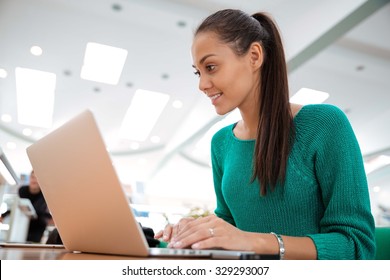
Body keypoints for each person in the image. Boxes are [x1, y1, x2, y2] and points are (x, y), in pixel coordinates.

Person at [155, 9, 376, 260]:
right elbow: (229, 224)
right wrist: (195, 235)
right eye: (198, 72)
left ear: (254, 56)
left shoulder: (324, 124)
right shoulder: (221, 143)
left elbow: (357, 246)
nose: (202, 84)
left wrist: (255, 241)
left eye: (211, 67)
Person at [18, 170, 52, 242]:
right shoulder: (22, 190)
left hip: (38, 224)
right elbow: (19, 205)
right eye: (33, 177)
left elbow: (38, 210)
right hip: (23, 222)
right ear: (29, 178)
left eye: (37, 178)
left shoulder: (44, 193)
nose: (34, 180)